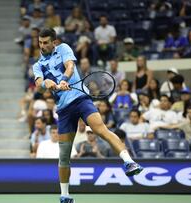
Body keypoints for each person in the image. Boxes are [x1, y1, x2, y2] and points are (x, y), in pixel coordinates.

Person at [32, 28, 142, 203]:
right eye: (40, 42)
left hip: (81, 99)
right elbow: (39, 83)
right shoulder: (38, 65)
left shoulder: (63, 48)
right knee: (64, 154)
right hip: (64, 110)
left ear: (54, 42)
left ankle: (129, 162)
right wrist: (48, 83)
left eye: (46, 42)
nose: (42, 45)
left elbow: (70, 66)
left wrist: (64, 80)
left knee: (101, 130)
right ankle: (65, 195)